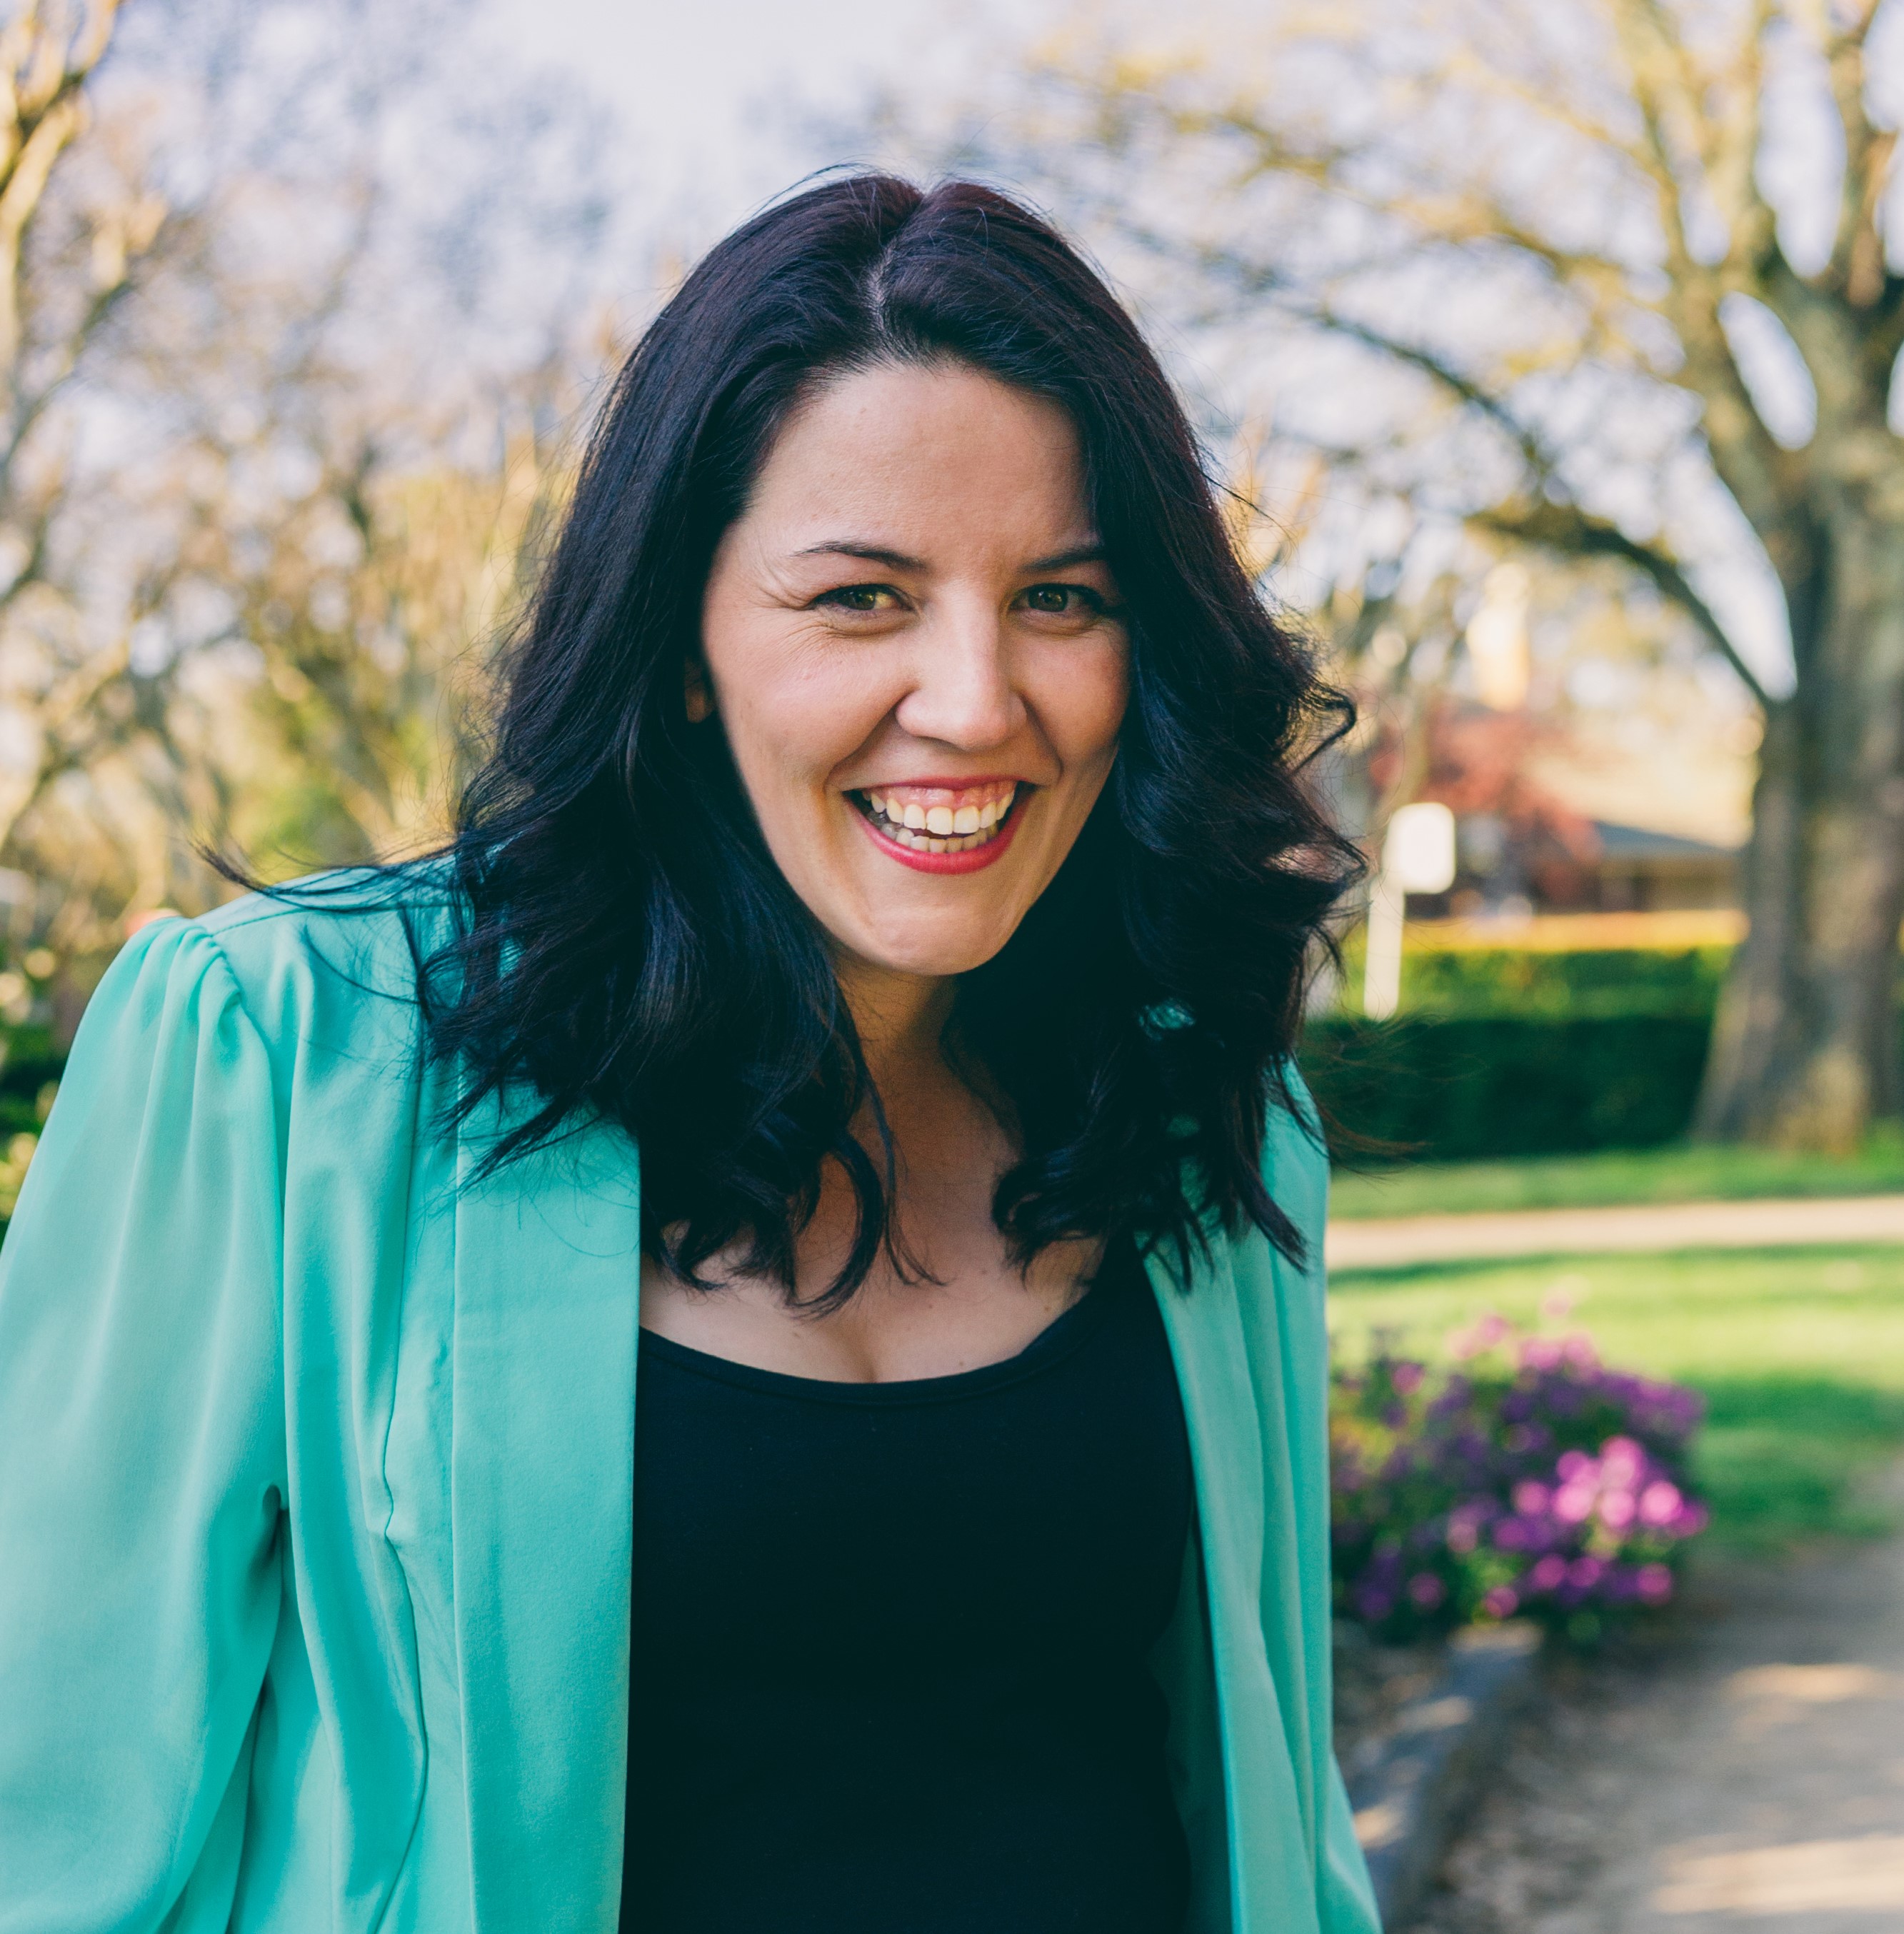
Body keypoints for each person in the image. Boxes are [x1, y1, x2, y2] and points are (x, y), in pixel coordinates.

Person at [0, 176, 1380, 1933]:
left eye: (1059, 598)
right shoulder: (288, 1065)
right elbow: (43, 1829)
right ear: (685, 650)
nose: (974, 699)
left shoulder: (1200, 1104)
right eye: (862, 599)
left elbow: (1277, 1819)